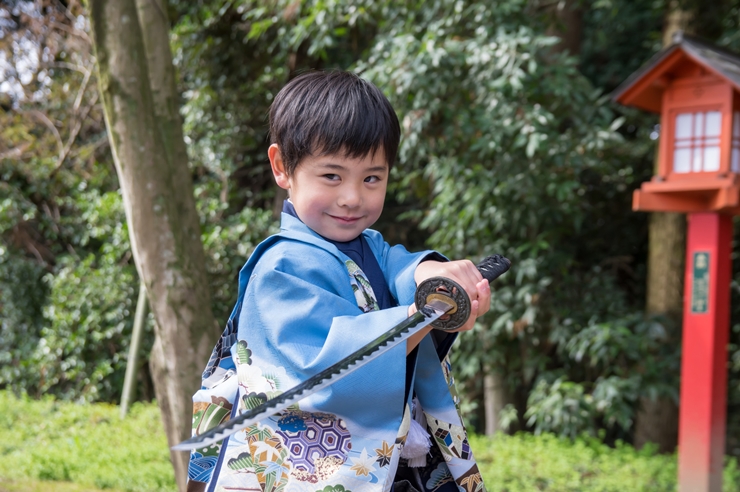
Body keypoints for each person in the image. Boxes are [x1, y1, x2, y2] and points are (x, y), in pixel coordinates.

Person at [186, 71, 491, 492]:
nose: (352, 197)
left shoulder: (369, 245)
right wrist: (425, 316)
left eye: (372, 178)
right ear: (282, 167)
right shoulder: (280, 267)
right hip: (312, 466)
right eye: (332, 176)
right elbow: (326, 366)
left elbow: (400, 265)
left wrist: (435, 277)